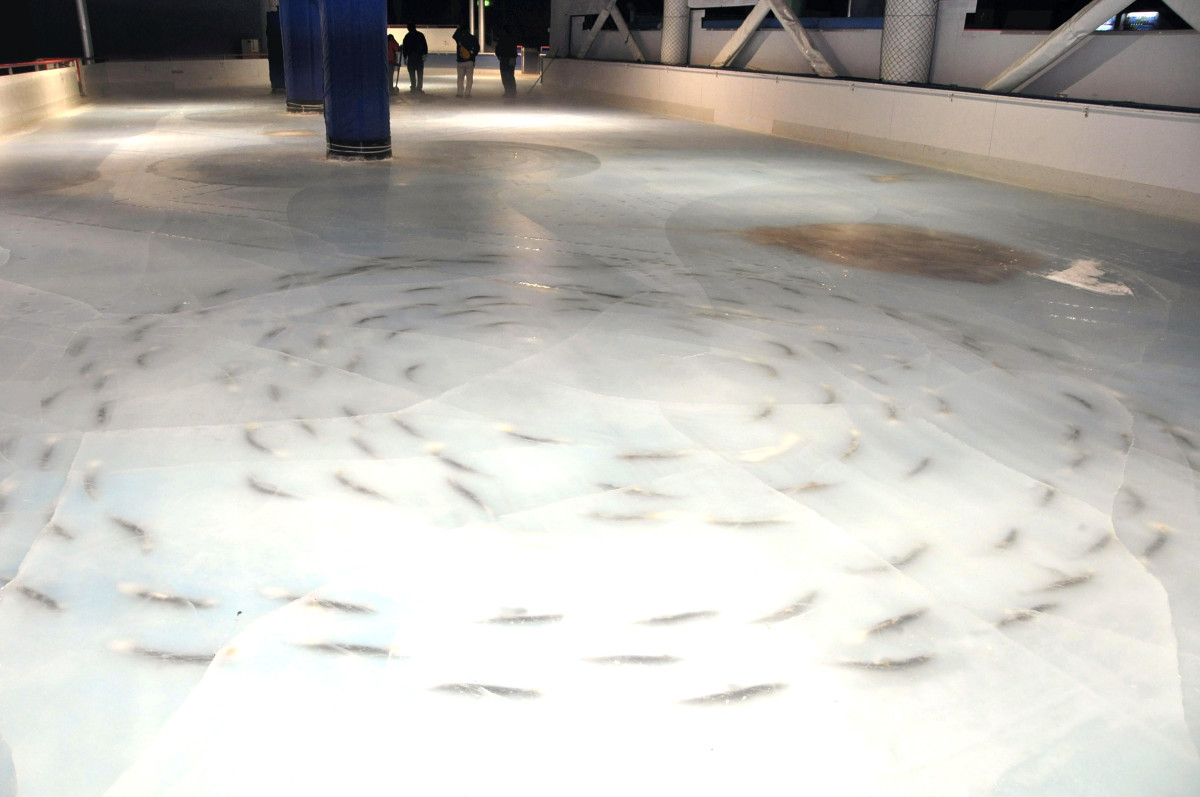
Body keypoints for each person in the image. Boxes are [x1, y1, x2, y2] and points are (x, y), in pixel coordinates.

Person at [452, 24, 480, 98]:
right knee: (469, 78)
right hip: (470, 61)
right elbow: (477, 48)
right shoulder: (473, 38)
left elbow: (454, 36)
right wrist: (472, 55)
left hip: (460, 61)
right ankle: (467, 93)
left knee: (460, 78)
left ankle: (459, 93)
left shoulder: (459, 38)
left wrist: (458, 28)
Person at [401, 23, 427, 94]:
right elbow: (424, 45)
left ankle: (413, 87)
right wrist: (424, 54)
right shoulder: (420, 35)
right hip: (418, 57)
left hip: (411, 57)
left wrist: (405, 57)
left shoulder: (407, 36)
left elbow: (405, 48)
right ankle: (419, 88)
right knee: (419, 73)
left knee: (412, 73)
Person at [495, 24, 518, 99]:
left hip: (504, 59)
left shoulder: (502, 39)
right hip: (511, 59)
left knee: (504, 75)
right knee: (510, 75)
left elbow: (497, 49)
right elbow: (514, 50)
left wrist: (499, 56)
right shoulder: (513, 39)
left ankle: (507, 91)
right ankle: (513, 91)